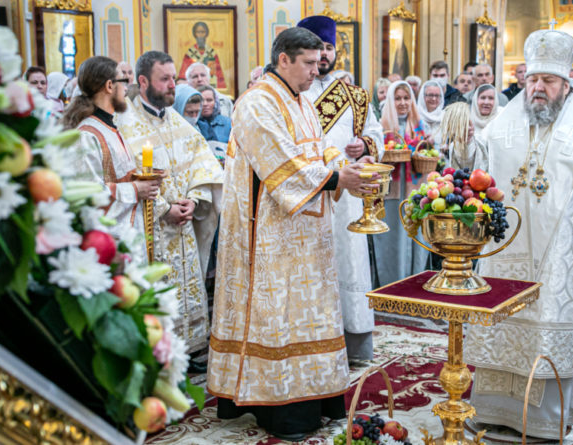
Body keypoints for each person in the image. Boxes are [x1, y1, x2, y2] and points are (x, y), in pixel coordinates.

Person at [206, 27, 377, 440]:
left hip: (307, 231)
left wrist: (349, 166)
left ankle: (318, 397)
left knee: (310, 313)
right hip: (268, 235)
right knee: (277, 315)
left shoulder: (300, 100)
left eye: (318, 64)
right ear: (284, 59)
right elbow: (281, 164)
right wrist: (338, 178)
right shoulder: (256, 103)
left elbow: (320, 147)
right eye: (309, 64)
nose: (315, 72)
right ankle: (283, 409)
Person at [463, 29, 573, 440]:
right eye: (532, 80)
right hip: (503, 248)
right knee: (499, 321)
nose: (538, 88)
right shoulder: (505, 120)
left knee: (547, 324)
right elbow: (476, 167)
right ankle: (491, 410)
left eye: (548, 81)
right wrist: (463, 145)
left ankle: (543, 420)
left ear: (566, 83)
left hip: (562, 254)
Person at [116, 51, 223, 357]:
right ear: (143, 81)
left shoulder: (177, 120)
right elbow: (127, 173)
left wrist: (195, 199)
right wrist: (166, 208)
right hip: (152, 230)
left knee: (189, 287)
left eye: (174, 79)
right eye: (164, 80)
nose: (172, 86)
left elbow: (203, 166)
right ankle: (163, 356)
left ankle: (191, 350)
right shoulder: (125, 124)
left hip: (184, 226)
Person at [298, 15, 385, 363]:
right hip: (306, 195)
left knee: (347, 263)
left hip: (346, 199)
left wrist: (364, 145)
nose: (323, 54)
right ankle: (310, 342)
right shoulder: (290, 93)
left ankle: (353, 345)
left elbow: (376, 135)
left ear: (336, 52)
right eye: (316, 47)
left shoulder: (355, 97)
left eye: (329, 47)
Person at [62, 56, 157, 236]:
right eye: (123, 81)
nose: (127, 89)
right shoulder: (87, 135)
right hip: (108, 243)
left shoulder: (110, 128)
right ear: (109, 86)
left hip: (127, 234)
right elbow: (87, 195)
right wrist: (136, 189)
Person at [375, 80, 429, 285]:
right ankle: (393, 282)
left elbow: (426, 153)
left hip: (416, 191)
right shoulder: (382, 126)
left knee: (416, 236)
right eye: (397, 98)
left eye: (406, 98)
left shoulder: (419, 126)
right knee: (394, 238)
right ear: (390, 100)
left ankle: (415, 280)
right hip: (392, 191)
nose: (403, 103)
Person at [178, 21, 226, 89]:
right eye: (198, 32)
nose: (200, 35)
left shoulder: (212, 53)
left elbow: (219, 76)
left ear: (206, 33)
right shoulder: (190, 53)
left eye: (203, 32)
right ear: (194, 34)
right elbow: (182, 77)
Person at [416, 80, 445, 144]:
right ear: (422, 96)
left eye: (437, 95)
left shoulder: (445, 117)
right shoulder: (415, 115)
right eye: (430, 95)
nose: (434, 99)